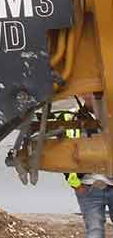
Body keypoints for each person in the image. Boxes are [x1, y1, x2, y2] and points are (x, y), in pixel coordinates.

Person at [65, 95, 113, 238]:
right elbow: (65, 155)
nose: (91, 94)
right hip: (88, 188)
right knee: (94, 231)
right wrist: (76, 185)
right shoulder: (71, 116)